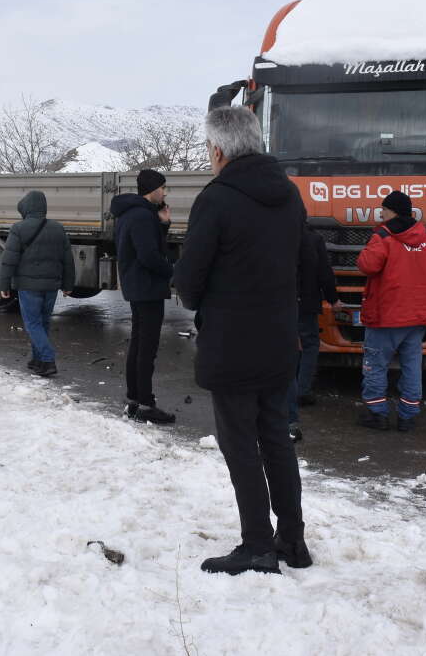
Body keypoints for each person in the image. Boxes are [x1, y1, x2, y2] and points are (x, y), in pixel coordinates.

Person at [173, 106, 314, 576]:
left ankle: (256, 544)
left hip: (232, 343)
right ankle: (292, 540)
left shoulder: (216, 199)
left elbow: (190, 283)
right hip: (278, 339)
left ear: (217, 149)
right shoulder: (289, 195)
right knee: (275, 437)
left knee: (240, 445)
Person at [356, 190, 426, 432]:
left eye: (384, 208)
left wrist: (370, 243)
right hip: (417, 317)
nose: (381, 212)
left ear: (392, 210)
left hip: (388, 314)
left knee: (375, 365)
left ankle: (377, 414)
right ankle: (407, 416)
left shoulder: (383, 237)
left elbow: (366, 265)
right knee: (412, 366)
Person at [110, 168, 176, 423]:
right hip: (147, 288)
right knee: (146, 348)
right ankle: (146, 405)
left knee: (139, 344)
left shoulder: (133, 214)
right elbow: (149, 256)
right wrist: (172, 271)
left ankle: (135, 399)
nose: (165, 192)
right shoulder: (141, 216)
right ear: (152, 189)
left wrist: (164, 225)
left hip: (138, 286)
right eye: (163, 187)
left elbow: (148, 248)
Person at [0, 191, 74, 377]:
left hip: (29, 286)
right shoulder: (58, 228)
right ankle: (37, 360)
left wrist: (4, 286)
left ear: (26, 208)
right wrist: (68, 284)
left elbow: (9, 260)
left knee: (33, 324)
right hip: (51, 287)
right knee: (43, 322)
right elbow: (67, 260)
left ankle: (47, 359)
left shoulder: (18, 228)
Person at [287, 226, 340, 441]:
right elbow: (324, 272)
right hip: (306, 301)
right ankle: (302, 390)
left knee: (285, 345)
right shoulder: (313, 239)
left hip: (280, 301)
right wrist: (333, 297)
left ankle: (285, 390)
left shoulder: (275, 234)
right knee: (309, 344)